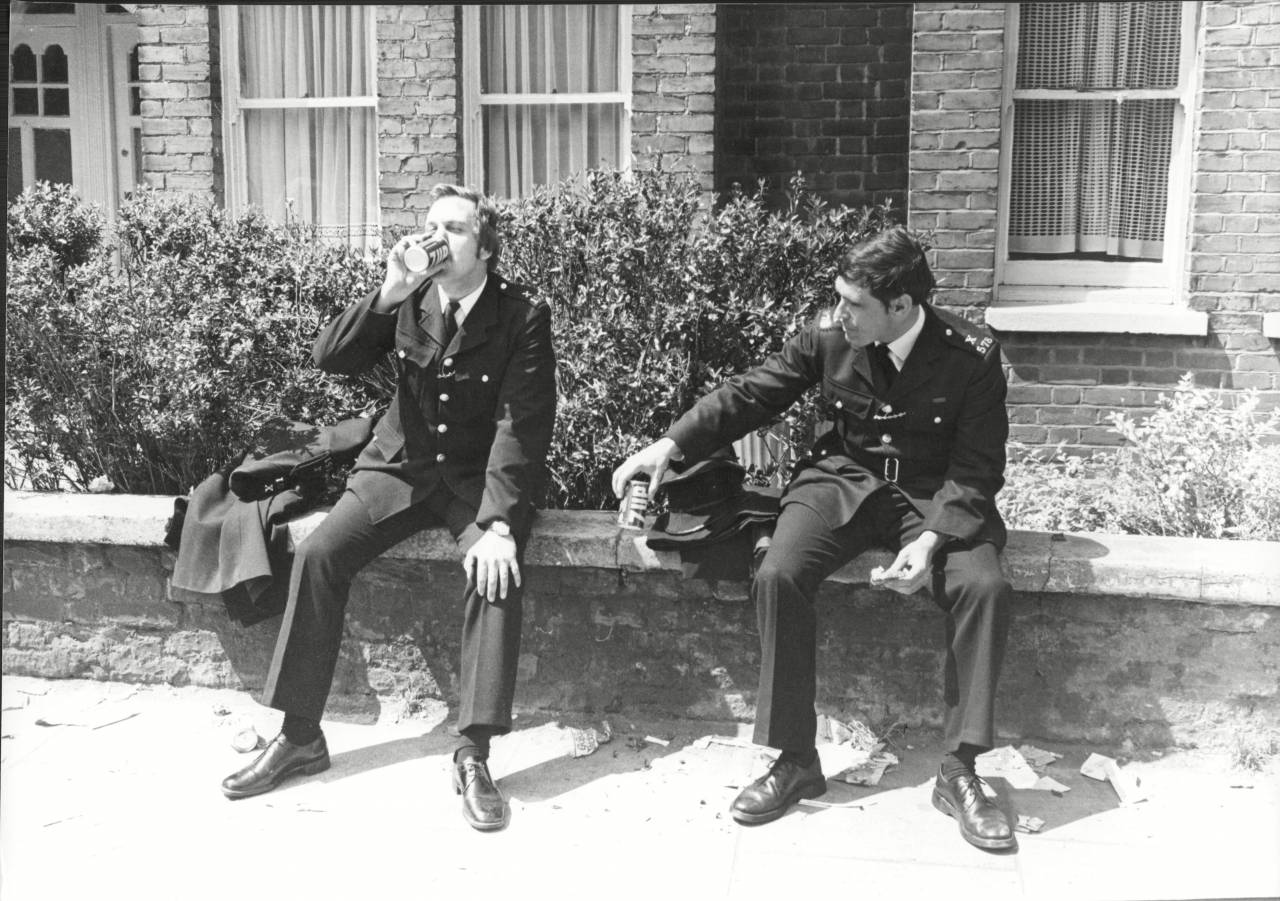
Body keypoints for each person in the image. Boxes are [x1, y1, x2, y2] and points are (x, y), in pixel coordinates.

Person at [611, 226, 1015, 851]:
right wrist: (668, 445)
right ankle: (796, 759)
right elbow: (753, 393)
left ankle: (960, 770)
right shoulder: (831, 336)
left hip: (934, 495)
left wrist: (933, 540)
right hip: (842, 480)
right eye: (840, 299)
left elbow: (979, 469)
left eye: (855, 304)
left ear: (901, 307)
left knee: (983, 586)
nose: (840, 313)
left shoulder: (971, 356)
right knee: (778, 573)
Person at [221, 184, 557, 833]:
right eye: (430, 226)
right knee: (318, 552)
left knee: (495, 569)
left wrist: (497, 524)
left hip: (470, 480)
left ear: (484, 246)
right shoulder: (410, 296)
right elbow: (330, 357)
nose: (436, 239)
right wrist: (387, 291)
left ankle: (473, 752)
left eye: (453, 229)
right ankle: (299, 736)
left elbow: (521, 426)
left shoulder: (522, 314)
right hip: (397, 468)